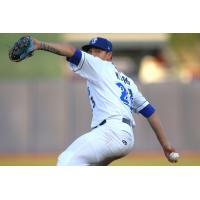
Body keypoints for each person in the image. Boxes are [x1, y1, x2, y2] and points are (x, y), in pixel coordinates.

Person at [18, 36, 178, 165]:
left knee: (66, 161)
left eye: (98, 51)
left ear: (109, 55)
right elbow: (150, 112)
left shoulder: (99, 66)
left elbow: (71, 51)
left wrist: (39, 44)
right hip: (125, 137)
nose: (93, 54)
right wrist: (165, 144)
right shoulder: (128, 81)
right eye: (91, 51)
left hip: (110, 132)